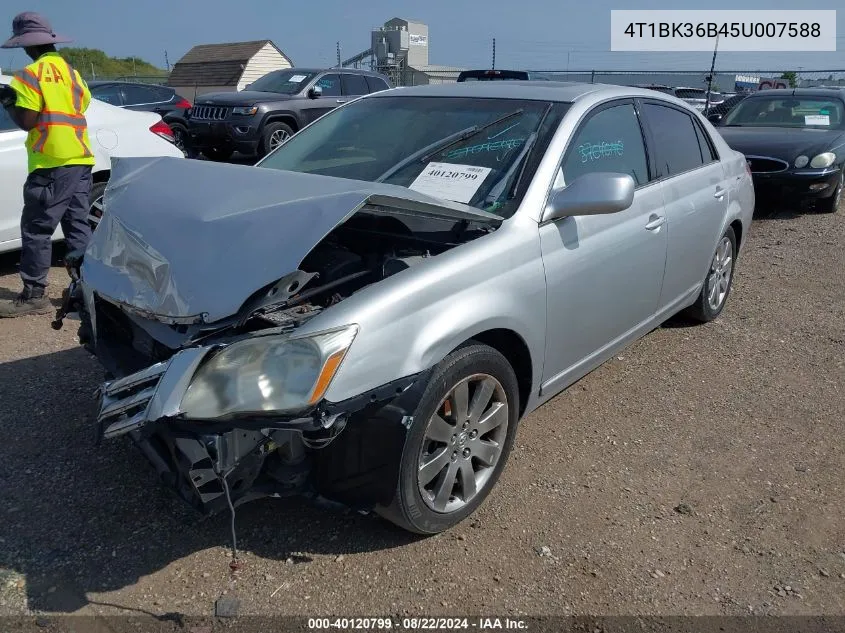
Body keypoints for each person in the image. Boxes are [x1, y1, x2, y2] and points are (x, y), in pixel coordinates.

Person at [0, 12, 94, 318]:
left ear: (27, 45)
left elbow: (28, 122)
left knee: (37, 229)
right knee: (77, 227)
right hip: (80, 159)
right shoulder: (72, 73)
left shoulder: (28, 76)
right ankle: (90, 289)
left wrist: (8, 102)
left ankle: (34, 295)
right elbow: (83, 105)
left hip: (51, 163)